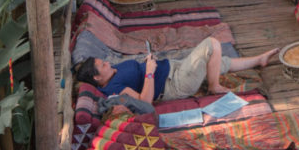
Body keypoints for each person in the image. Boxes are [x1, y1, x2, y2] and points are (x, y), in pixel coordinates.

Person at [73, 39, 279, 101]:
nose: (108, 63)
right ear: (98, 77)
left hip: (172, 68)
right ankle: (215, 87)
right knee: (211, 45)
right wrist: (150, 72)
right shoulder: (115, 90)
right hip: (175, 84)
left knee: (219, 61)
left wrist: (148, 61)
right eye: (103, 65)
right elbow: (145, 102)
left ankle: (258, 60)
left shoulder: (113, 72)